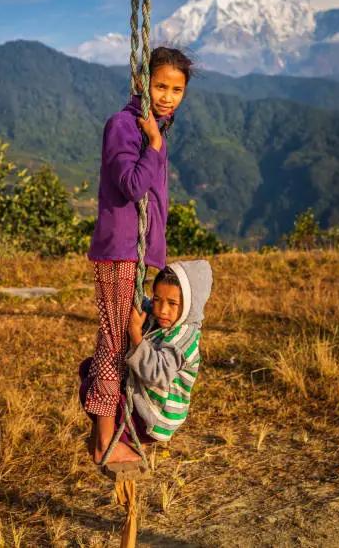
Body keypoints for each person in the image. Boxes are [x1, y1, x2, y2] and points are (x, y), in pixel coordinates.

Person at [84, 47, 194, 464]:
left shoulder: (151, 126)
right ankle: (104, 441)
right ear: (141, 83)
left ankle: (115, 430)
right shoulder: (123, 126)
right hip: (118, 251)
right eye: (160, 86)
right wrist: (152, 141)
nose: (167, 96)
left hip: (135, 251)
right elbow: (132, 186)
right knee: (115, 340)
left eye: (176, 89)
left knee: (123, 333)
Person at [79, 260, 213, 456]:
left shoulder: (185, 338)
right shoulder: (156, 314)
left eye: (172, 303)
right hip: (138, 403)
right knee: (89, 368)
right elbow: (138, 302)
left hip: (152, 419)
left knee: (97, 385)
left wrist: (135, 335)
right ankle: (121, 435)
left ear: (190, 306)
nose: (162, 309)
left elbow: (156, 373)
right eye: (158, 299)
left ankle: (117, 442)